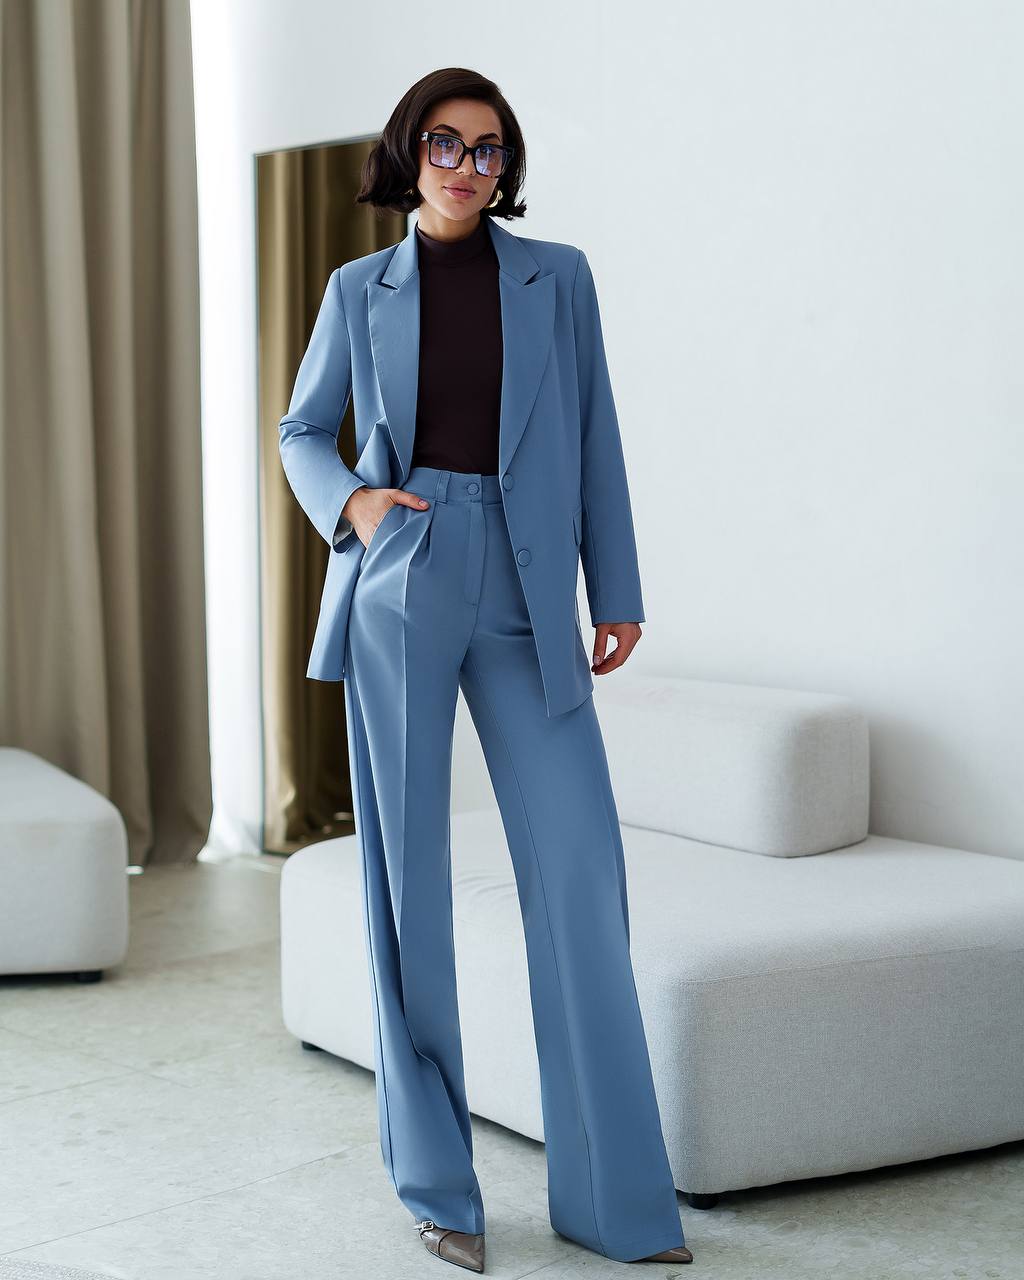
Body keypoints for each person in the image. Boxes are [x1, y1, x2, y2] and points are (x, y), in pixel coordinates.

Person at [278, 66, 693, 1274]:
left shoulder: (555, 277)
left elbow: (594, 425)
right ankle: (439, 1186)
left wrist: (612, 587)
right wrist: (353, 503)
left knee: (578, 878)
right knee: (408, 892)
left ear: (506, 166)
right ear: (409, 153)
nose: (468, 165)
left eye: (490, 148)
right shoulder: (359, 288)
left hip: (526, 586)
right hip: (404, 568)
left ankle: (618, 1200)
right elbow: (303, 427)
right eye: (446, 144)